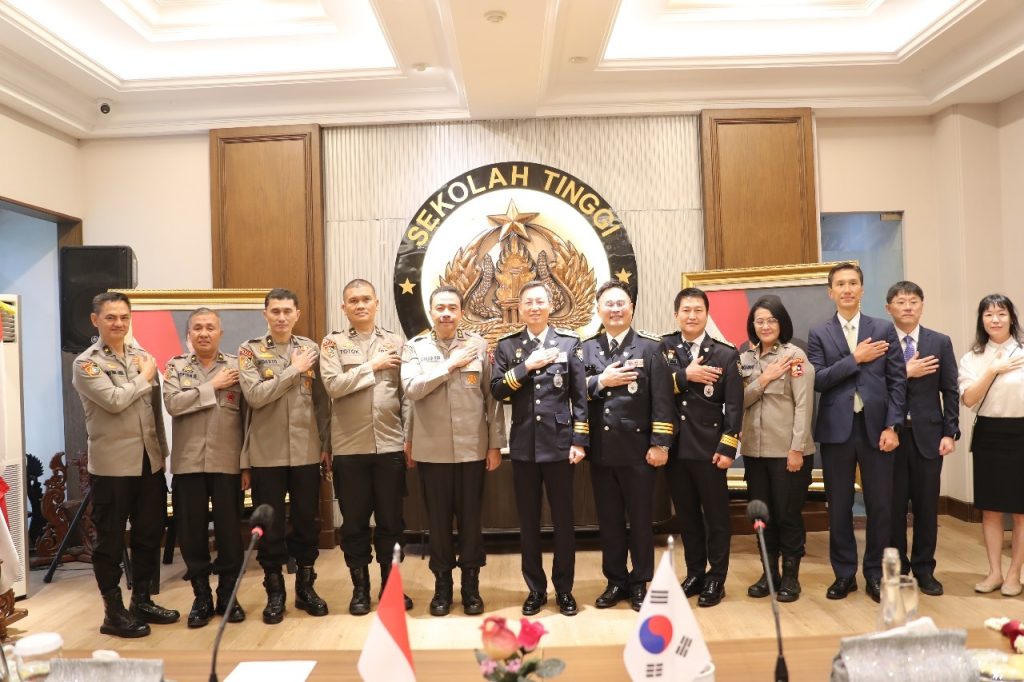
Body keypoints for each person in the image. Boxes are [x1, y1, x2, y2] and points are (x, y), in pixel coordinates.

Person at [72, 291, 179, 638]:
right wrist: (144, 377)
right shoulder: (86, 363)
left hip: (149, 463)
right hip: (113, 468)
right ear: (96, 320)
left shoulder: (142, 357)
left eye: (123, 317)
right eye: (110, 318)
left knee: (150, 533)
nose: (118, 324)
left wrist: (162, 456)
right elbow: (115, 401)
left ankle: (143, 600)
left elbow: (155, 414)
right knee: (110, 541)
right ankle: (113, 612)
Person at [402, 286, 505, 616]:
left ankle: (471, 587)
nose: (446, 313)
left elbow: (492, 399)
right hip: (432, 451)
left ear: (461, 312)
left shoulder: (478, 345)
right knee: (438, 522)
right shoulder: (415, 348)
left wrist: (494, 445)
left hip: (473, 450)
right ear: (431, 312)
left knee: (473, 522)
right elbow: (413, 389)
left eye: (452, 307)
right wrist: (448, 366)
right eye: (440, 307)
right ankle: (442, 587)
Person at [807, 263, 907, 603]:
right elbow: (818, 380)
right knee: (839, 507)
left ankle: (874, 575)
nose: (847, 289)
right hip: (837, 431)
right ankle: (844, 574)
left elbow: (897, 382)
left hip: (877, 429)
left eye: (853, 283)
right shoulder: (819, 332)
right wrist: (856, 358)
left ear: (862, 289)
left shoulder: (883, 328)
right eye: (840, 284)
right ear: (830, 292)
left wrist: (893, 426)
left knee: (880, 506)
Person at [491, 280, 588, 617]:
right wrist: (526, 367)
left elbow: (579, 396)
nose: (533, 307)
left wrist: (579, 440)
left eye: (539, 301)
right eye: (527, 302)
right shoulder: (508, 346)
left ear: (550, 305)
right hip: (524, 448)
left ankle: (564, 590)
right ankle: (535, 590)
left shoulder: (569, 342)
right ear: (520, 307)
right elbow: (497, 390)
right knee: (528, 523)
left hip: (561, 447)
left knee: (564, 522)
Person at [238, 288, 330, 624]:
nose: (281, 317)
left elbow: (321, 402)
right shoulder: (249, 352)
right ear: (265, 314)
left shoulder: (311, 350)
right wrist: (292, 371)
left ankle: (306, 588)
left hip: (306, 449)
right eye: (274, 311)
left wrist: (325, 443)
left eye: (286, 311)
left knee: (307, 522)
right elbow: (255, 396)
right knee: (270, 525)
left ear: (297, 314)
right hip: (267, 452)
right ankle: (274, 592)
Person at [320, 279, 412, 615]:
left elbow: (405, 396)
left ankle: (392, 588)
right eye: (353, 301)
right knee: (355, 524)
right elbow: (333, 386)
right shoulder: (332, 344)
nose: (360, 305)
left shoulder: (396, 343)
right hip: (349, 448)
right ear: (344, 307)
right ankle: (360, 590)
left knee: (392, 523)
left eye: (365, 300)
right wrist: (372, 366)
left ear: (377, 303)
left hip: (389, 446)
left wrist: (408, 438)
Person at [582, 280, 674, 611]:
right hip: (602, 450)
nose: (616, 309)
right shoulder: (587, 348)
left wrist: (660, 443)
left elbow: (663, 400)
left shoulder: (651, 347)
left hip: (638, 451)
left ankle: (640, 581)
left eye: (621, 303)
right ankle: (615, 580)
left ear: (632, 307)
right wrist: (599, 381)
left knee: (639, 520)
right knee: (608, 521)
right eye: (609, 304)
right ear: (599, 309)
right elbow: (577, 394)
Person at [163, 308, 246, 628]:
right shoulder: (176, 366)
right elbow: (173, 404)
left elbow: (247, 416)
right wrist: (213, 386)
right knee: (192, 534)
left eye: (210, 327)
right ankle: (201, 596)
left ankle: (228, 595)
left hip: (227, 461)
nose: (204, 333)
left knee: (229, 534)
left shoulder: (237, 368)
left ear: (220, 333)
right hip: (188, 463)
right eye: (197, 328)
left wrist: (247, 463)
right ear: (189, 334)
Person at [660, 287, 742, 607]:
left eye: (697, 310)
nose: (691, 316)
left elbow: (734, 407)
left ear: (707, 314)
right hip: (675, 448)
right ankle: (695, 572)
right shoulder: (664, 348)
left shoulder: (725, 354)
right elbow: (655, 389)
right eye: (685, 310)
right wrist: (685, 375)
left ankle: (716, 577)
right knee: (687, 516)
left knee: (717, 518)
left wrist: (728, 445)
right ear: (676, 314)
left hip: (710, 450)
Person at [884, 281, 959, 596]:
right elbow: (876, 387)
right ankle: (899, 569)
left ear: (922, 305)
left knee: (927, 507)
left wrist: (950, 431)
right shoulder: (881, 343)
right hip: (893, 437)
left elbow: (950, 389)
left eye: (913, 301)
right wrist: (905, 370)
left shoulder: (939, 342)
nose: (907, 307)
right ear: (889, 308)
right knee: (894, 506)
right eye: (900, 302)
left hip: (930, 435)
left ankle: (925, 569)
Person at [738, 296, 815, 603]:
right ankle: (769, 574)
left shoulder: (794, 356)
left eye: (771, 320)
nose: (765, 326)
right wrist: (764, 379)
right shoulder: (745, 358)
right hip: (755, 453)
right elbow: (738, 402)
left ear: (781, 323)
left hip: (787, 453)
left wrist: (797, 449)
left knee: (788, 514)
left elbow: (804, 404)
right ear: (752, 326)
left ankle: (791, 578)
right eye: (760, 321)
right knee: (763, 516)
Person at [958, 294, 1024, 597]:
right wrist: (993, 370)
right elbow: (969, 399)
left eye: (1001, 313)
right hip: (988, 432)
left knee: (1021, 510)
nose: (995, 319)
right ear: (981, 320)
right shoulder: (973, 356)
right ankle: (995, 572)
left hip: (1021, 430)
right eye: (988, 314)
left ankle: (1014, 574)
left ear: (1011, 317)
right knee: (991, 509)